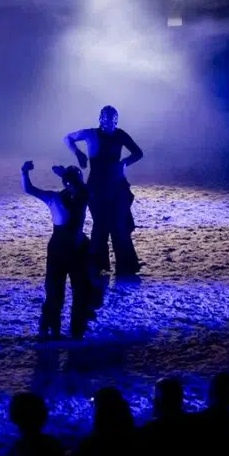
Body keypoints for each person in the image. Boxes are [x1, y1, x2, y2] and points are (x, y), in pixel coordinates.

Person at [64, 105, 143, 277]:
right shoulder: (90, 134)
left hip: (117, 187)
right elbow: (67, 138)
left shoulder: (120, 134)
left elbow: (138, 153)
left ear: (117, 120)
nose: (108, 122)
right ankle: (98, 266)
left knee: (119, 226)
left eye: (112, 118)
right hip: (96, 188)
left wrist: (124, 163)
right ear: (100, 119)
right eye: (105, 118)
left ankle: (126, 267)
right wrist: (78, 153)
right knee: (100, 225)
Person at [20, 161, 93, 340]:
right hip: (74, 248)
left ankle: (51, 328)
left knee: (60, 291)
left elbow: (30, 189)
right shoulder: (83, 195)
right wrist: (65, 174)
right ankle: (73, 330)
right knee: (72, 291)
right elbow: (83, 189)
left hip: (61, 248)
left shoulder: (57, 198)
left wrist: (25, 172)